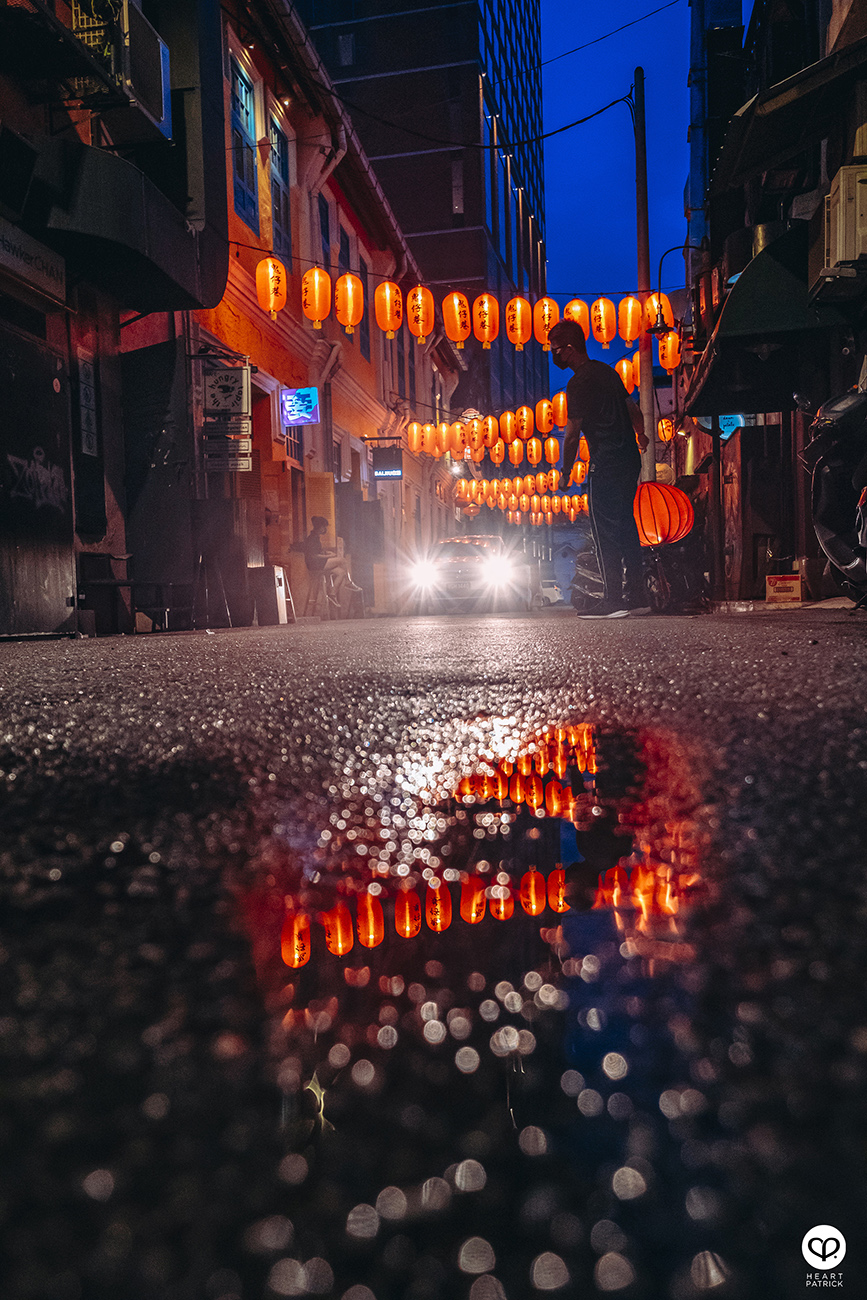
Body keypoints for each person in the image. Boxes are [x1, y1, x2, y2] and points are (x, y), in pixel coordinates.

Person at [548, 318, 651, 618]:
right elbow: (633, 409)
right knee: (626, 526)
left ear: (568, 350)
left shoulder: (578, 382)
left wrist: (566, 472)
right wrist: (641, 433)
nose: (554, 355)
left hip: (604, 460)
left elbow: (571, 433)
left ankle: (613, 601)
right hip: (629, 457)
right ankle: (637, 597)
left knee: (604, 529)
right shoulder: (608, 372)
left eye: (555, 349)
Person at [304, 516, 361, 600]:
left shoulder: (316, 537)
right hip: (314, 564)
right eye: (324, 526)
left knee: (341, 573)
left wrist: (326, 553)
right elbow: (313, 555)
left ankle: (332, 593)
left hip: (318, 563)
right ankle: (348, 582)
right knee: (343, 561)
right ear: (319, 526)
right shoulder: (312, 538)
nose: (325, 529)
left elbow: (318, 552)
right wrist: (329, 556)